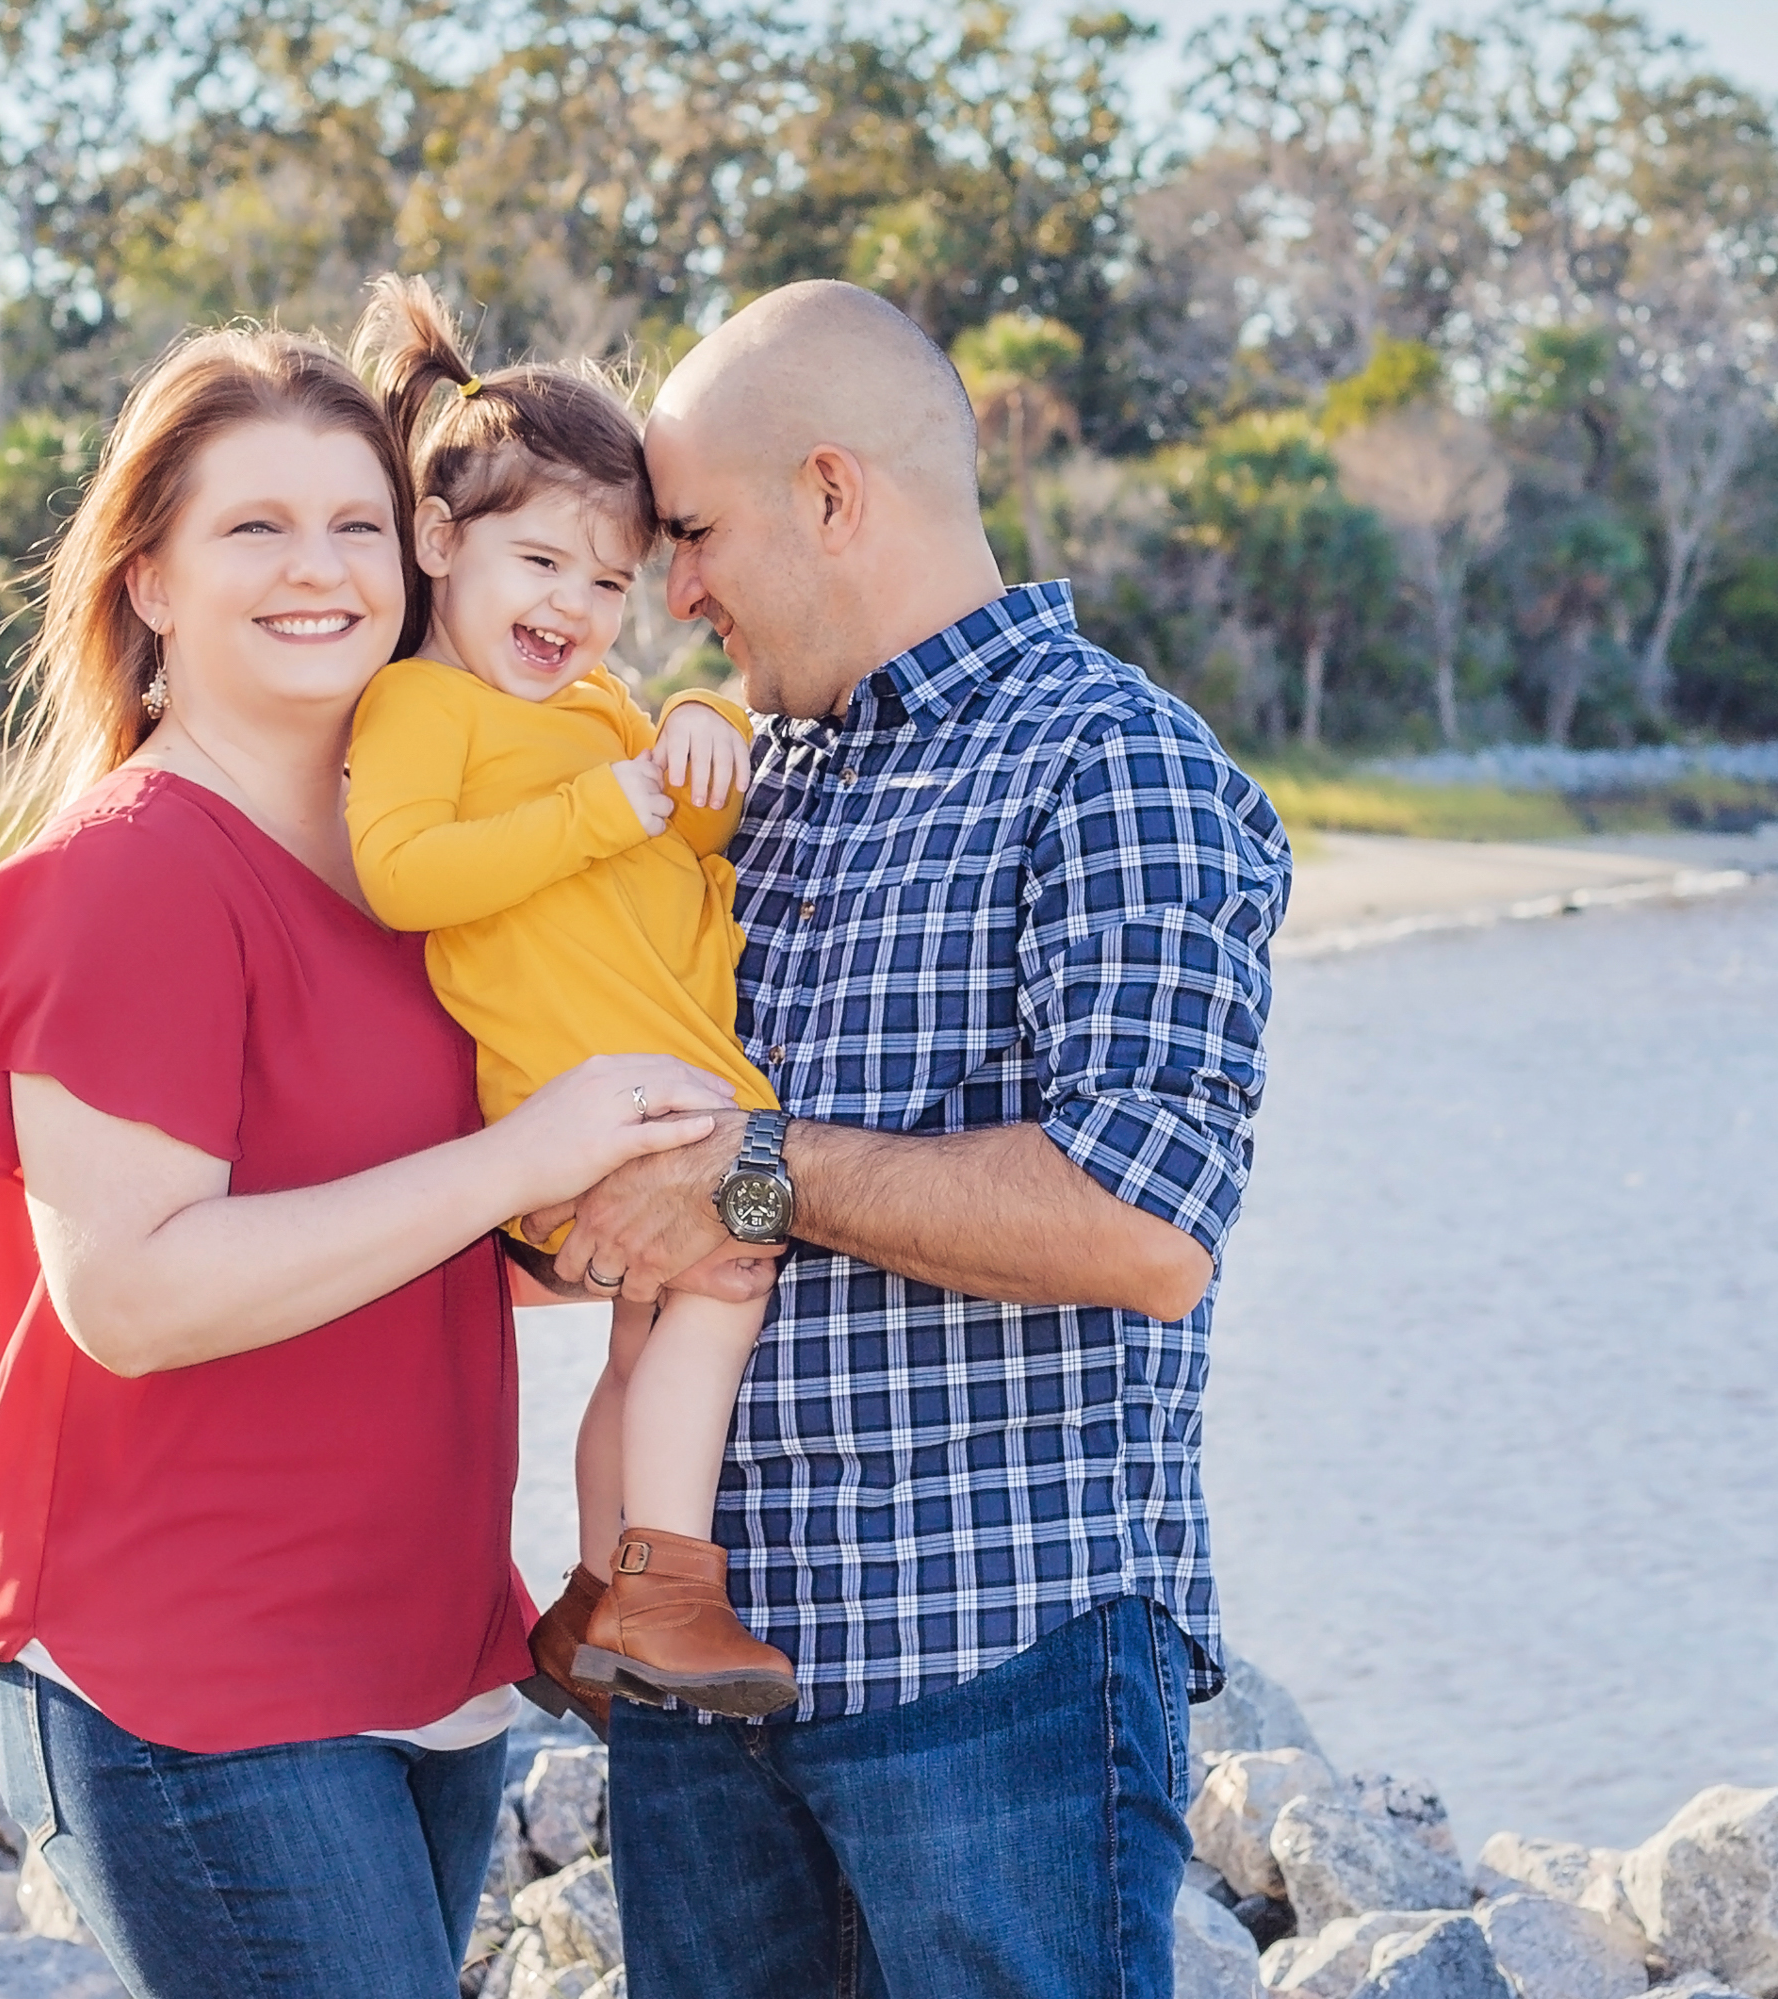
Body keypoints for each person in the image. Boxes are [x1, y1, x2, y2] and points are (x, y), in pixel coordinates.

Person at [0, 323, 732, 1997]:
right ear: (146, 582)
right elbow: (128, 1294)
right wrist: (520, 1161)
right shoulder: (131, 877)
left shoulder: (420, 875)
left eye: (353, 524)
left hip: (422, 1641)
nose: (317, 571)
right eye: (251, 529)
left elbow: (436, 1249)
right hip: (191, 1664)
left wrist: (678, 1213)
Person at [520, 280, 1296, 1999]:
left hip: (992, 1672)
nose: (677, 590)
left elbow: (1140, 1224)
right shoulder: (748, 783)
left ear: (835, 493)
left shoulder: (1115, 767)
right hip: (701, 1683)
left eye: (700, 534)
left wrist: (755, 1166)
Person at [343, 274, 796, 1725]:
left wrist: (709, 730)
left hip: (655, 1080)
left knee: (646, 1335)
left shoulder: (602, 708)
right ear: (438, 542)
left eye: (609, 584)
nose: (574, 610)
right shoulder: (422, 707)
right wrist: (611, 803)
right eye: (539, 564)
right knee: (734, 1273)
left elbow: (688, 830)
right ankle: (667, 1587)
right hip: (594, 1105)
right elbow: (406, 875)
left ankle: (598, 1601)